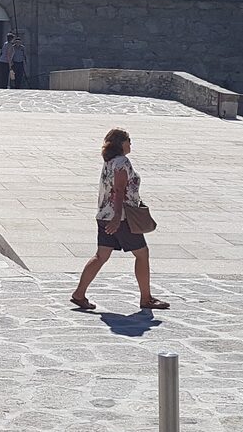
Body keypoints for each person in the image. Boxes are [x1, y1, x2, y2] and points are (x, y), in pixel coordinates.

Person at [70, 127, 169, 312]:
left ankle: (79, 293)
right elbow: (119, 190)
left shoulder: (109, 162)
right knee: (142, 254)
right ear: (121, 143)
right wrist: (117, 218)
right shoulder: (122, 162)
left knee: (101, 256)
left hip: (103, 215)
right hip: (122, 218)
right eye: (128, 140)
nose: (130, 143)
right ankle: (146, 298)